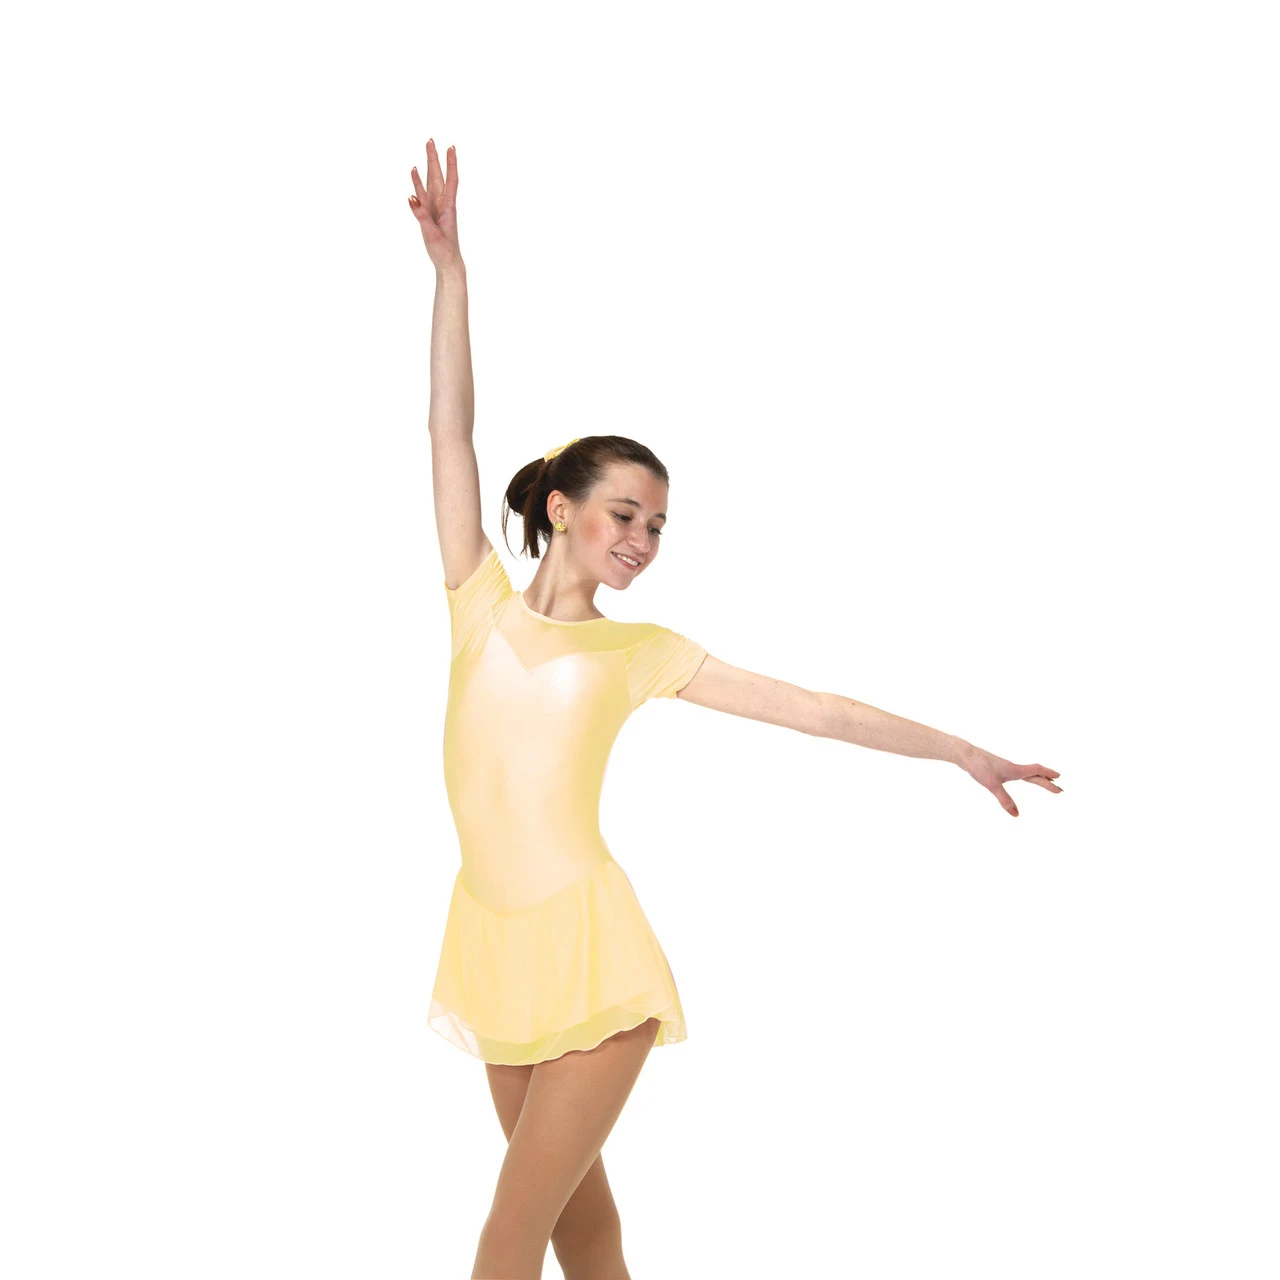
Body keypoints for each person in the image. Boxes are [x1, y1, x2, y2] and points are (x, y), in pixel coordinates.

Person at [409, 138, 1063, 1280]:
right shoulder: (478, 603)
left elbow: (813, 710)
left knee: (504, 1244)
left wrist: (961, 750)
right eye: (625, 514)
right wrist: (451, 274)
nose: (643, 539)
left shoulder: (641, 653)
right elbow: (447, 433)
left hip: (591, 954)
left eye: (658, 526)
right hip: (489, 945)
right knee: (581, 1231)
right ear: (559, 509)